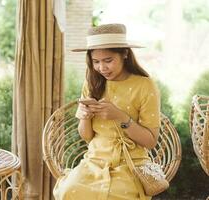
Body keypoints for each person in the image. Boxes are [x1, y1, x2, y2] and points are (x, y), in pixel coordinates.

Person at [53, 23, 160, 200]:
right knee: (68, 192)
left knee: (111, 196)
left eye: (108, 60)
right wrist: (85, 117)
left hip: (131, 163)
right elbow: (86, 136)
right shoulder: (92, 83)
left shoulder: (145, 85)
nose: (102, 68)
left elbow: (150, 141)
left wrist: (120, 117)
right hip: (95, 160)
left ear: (125, 54)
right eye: (96, 62)